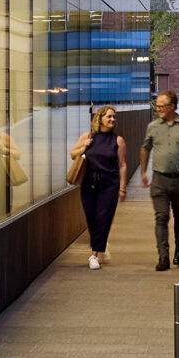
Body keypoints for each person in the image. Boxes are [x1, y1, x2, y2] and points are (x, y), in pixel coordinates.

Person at [139, 90, 179, 271]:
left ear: (172, 106)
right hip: (159, 178)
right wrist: (144, 171)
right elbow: (145, 148)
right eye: (157, 106)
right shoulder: (153, 126)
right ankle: (163, 257)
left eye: (162, 106)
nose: (158, 109)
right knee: (161, 217)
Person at [70, 103, 127, 269]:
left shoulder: (118, 141)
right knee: (91, 218)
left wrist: (122, 188)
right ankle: (102, 243)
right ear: (100, 118)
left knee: (103, 217)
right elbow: (73, 155)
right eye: (109, 116)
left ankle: (93, 255)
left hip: (109, 184)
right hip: (89, 183)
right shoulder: (87, 136)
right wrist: (84, 146)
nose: (112, 119)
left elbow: (122, 165)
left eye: (114, 117)